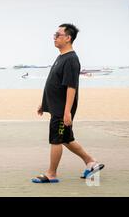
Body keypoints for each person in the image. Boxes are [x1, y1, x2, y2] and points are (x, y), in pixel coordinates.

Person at [32, 24, 104, 183]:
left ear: (68, 38)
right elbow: (54, 83)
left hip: (62, 110)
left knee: (56, 139)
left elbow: (71, 87)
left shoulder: (71, 59)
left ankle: (51, 174)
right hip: (57, 107)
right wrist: (44, 104)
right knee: (66, 139)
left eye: (58, 34)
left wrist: (67, 112)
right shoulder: (62, 57)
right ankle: (91, 163)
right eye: (54, 34)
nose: (54, 37)